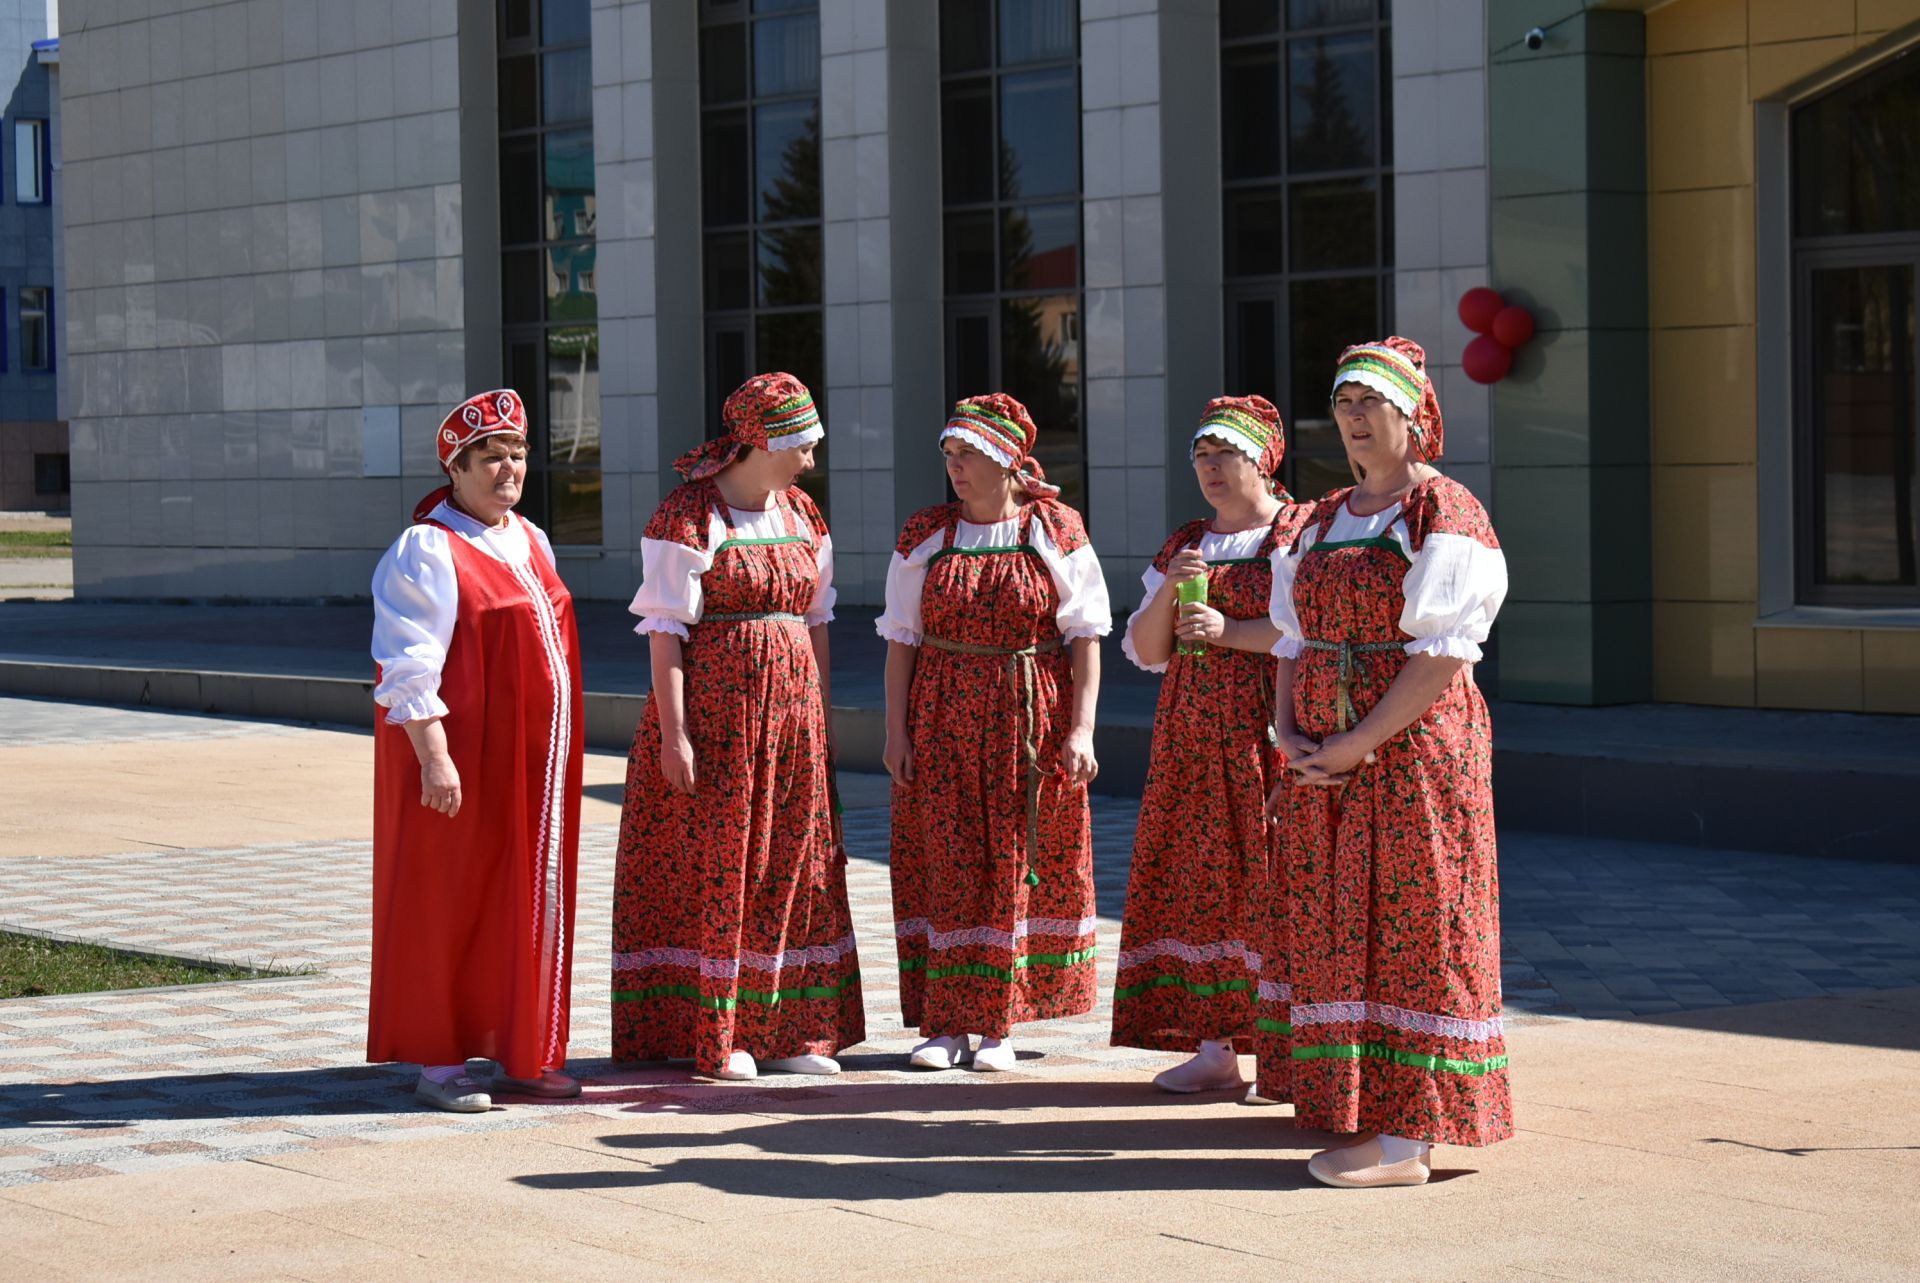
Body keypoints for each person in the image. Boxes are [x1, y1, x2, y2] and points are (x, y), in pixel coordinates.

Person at [1257, 337, 1511, 1188]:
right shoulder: (1316, 517)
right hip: (1327, 755)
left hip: (1412, 754)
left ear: (1412, 414)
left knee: (1419, 918)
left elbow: (1441, 653)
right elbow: (1293, 636)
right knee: (1340, 920)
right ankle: (1368, 1108)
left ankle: (1413, 1136)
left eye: (1371, 403)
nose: (1356, 419)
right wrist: (1286, 731)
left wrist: (1356, 742)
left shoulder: (1446, 512)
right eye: (1344, 404)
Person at [613, 372, 864, 1081]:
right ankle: (724, 1034)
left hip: (791, 722)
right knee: (730, 866)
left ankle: (790, 1028)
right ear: (765, 443)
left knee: (792, 865)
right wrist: (674, 733)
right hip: (721, 722)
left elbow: (816, 620)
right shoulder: (689, 516)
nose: (810, 459)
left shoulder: (803, 515)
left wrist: (819, 712)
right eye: (802, 445)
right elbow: (665, 632)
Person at [878, 394, 1110, 1072]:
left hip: (1026, 715)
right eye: (950, 454)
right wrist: (896, 730)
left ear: (1008, 461)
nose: (955, 467)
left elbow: (1085, 635)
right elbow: (901, 641)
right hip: (943, 712)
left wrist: (1083, 728)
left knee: (1014, 859)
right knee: (945, 859)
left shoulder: (1054, 528)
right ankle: (944, 1022)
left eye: (969, 454)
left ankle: (998, 1024)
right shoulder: (927, 532)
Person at [368, 388, 585, 1112]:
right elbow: (406, 664)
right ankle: (439, 1060)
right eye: (490, 458)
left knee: (525, 899)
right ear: (455, 470)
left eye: (518, 456)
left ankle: (525, 1050)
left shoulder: (530, 537)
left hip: (534, 769)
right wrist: (434, 756)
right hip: (463, 761)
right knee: (449, 898)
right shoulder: (427, 548)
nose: (508, 470)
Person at [1110, 395, 1314, 1094]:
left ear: (1263, 457)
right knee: (1201, 883)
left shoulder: (1296, 533)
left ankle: (1283, 1048)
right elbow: (1143, 646)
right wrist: (1170, 589)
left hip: (1268, 733)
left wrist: (1227, 628)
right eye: (1202, 454)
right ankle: (1214, 1045)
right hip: (1191, 737)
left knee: (1271, 881)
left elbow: (1304, 630)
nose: (1212, 468)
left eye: (1225, 452)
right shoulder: (1187, 541)